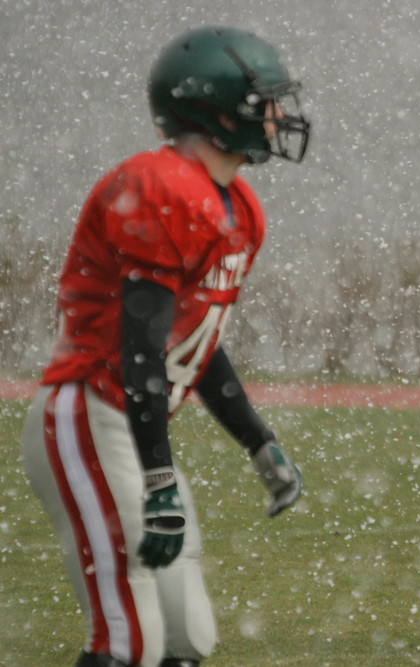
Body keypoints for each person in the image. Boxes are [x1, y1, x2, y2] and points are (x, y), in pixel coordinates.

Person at [20, 26, 309, 667]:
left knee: (186, 637)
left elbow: (197, 346)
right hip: (91, 408)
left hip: (130, 414)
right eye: (265, 101)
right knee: (131, 640)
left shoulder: (240, 208)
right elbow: (141, 346)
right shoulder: (163, 186)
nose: (280, 117)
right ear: (217, 108)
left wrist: (257, 441)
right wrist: (158, 479)